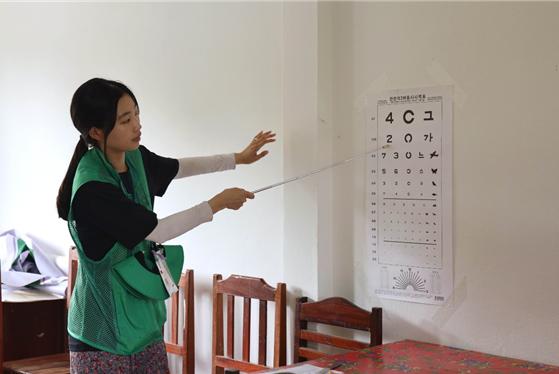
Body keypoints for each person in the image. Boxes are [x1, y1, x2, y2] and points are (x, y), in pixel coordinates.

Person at [56, 77, 275, 373]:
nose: (137, 125)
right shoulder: (92, 189)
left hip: (143, 325)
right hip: (102, 335)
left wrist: (239, 158)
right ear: (96, 131)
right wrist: (217, 203)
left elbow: (179, 167)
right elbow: (156, 231)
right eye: (125, 120)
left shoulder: (133, 158)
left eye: (136, 114)